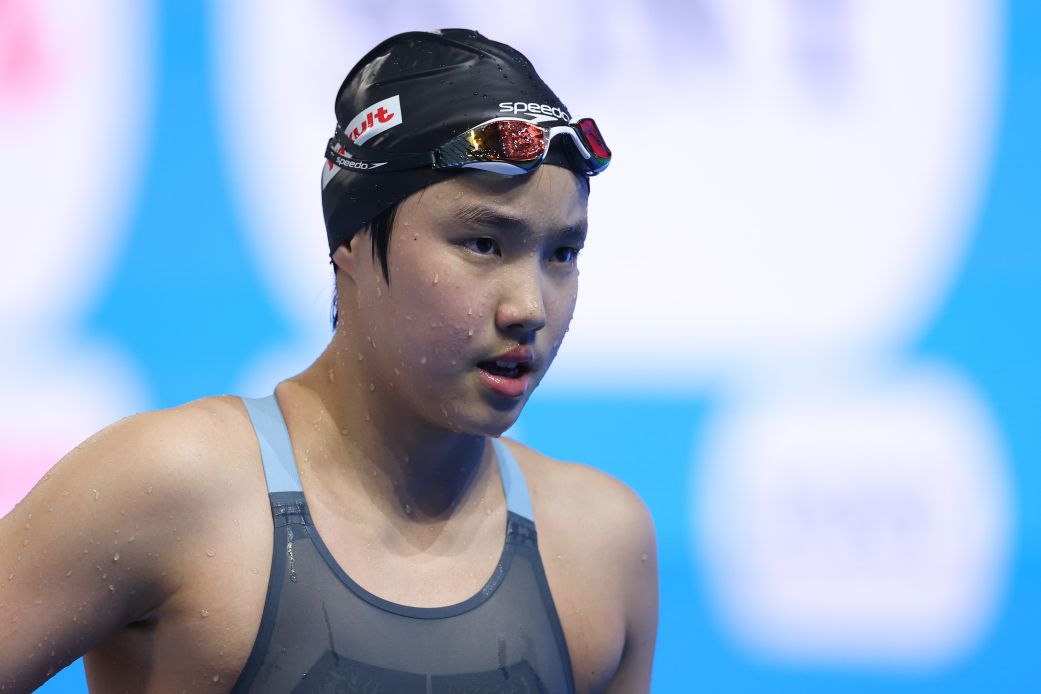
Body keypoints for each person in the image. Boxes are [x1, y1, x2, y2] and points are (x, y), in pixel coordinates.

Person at [0, 29, 657, 693]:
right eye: (483, 243)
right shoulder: (171, 488)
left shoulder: (598, 543)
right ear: (350, 243)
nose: (529, 307)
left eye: (561, 254)